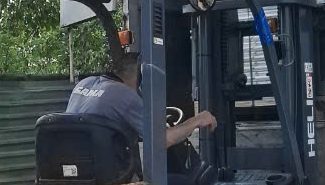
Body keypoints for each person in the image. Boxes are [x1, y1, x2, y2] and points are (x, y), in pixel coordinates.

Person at [68, 56, 217, 151]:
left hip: (76, 167)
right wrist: (197, 120)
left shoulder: (83, 84)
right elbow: (164, 139)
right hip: (108, 177)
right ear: (140, 77)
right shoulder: (124, 94)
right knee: (183, 184)